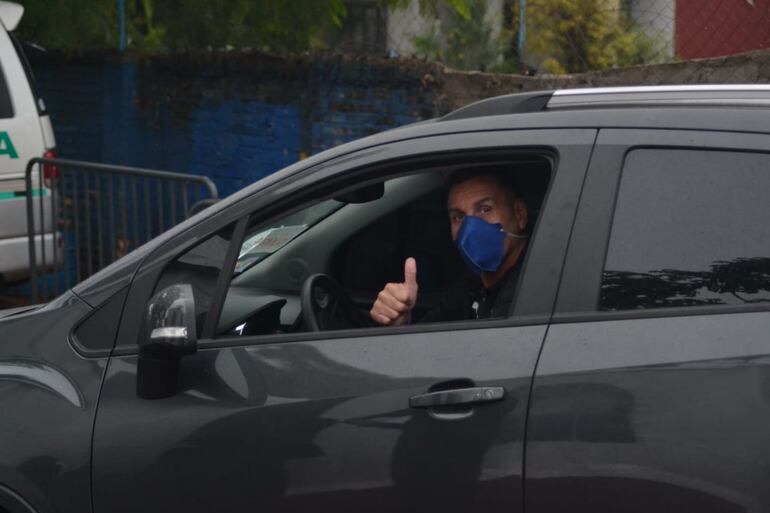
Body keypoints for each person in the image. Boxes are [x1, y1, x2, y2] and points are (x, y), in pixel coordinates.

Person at [369, 169, 529, 325]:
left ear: (519, 214)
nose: (470, 228)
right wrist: (401, 320)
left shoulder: (536, 285)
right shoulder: (471, 285)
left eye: (484, 209)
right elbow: (426, 339)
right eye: (458, 217)